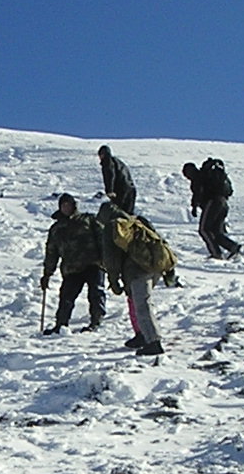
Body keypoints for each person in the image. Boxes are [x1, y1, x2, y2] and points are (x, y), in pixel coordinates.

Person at [98, 199, 168, 356]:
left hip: (136, 271)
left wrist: (113, 280)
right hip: (153, 267)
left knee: (142, 305)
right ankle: (143, 336)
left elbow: (111, 258)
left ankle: (153, 342)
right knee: (139, 303)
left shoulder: (112, 227)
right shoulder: (136, 221)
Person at [40, 193, 107, 335]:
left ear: (74, 205)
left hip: (93, 264)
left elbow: (103, 240)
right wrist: (47, 274)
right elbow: (52, 252)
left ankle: (96, 321)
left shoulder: (88, 220)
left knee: (96, 293)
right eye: (63, 205)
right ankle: (61, 325)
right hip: (72, 268)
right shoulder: (57, 229)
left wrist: (107, 261)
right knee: (66, 297)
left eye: (68, 205)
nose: (66, 208)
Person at [182, 158, 242, 259]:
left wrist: (194, 206)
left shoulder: (198, 178)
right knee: (216, 231)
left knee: (204, 230)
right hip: (223, 203)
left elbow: (198, 193)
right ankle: (233, 247)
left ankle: (216, 254)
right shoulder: (206, 176)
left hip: (213, 203)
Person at [97, 145, 137, 214]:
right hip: (131, 189)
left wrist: (110, 190)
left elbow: (110, 175)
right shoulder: (119, 162)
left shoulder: (107, 161)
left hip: (120, 190)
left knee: (118, 213)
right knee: (128, 215)